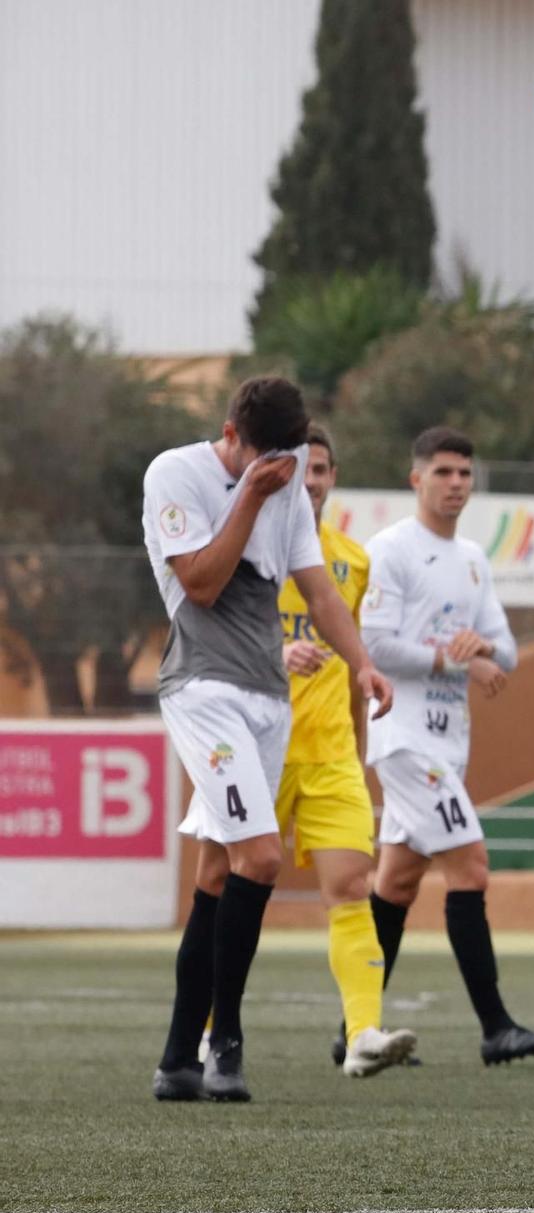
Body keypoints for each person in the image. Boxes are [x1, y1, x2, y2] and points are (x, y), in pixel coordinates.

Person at [143, 376, 393, 1102]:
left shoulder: (286, 487)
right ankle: (225, 1042)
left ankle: (176, 1060)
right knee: (261, 854)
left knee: (217, 873)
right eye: (268, 458)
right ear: (231, 435)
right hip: (202, 688)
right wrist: (250, 493)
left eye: (293, 460)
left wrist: (364, 662)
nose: (286, 473)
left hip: (266, 697)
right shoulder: (178, 473)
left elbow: (317, 590)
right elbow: (201, 583)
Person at [361, 427, 534, 1067]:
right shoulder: (390, 550)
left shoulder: (473, 558)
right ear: (416, 478)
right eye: (443, 472)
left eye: (465, 474)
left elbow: (507, 650)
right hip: (404, 737)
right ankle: (495, 1027)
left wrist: (483, 650)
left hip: (448, 742)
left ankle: (353, 1027)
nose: (455, 483)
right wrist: (456, 660)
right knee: (471, 866)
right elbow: (376, 645)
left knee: (394, 884)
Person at [273, 423, 418, 1077]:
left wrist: (360, 747)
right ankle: (209, 1032)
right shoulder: (246, 553)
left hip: (332, 754)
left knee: (353, 887)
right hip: (258, 751)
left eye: (322, 469)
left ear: (333, 478)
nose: (312, 480)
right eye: (301, 467)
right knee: (225, 885)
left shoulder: (351, 561)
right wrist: (274, 654)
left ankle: (362, 1033)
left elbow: (357, 665)